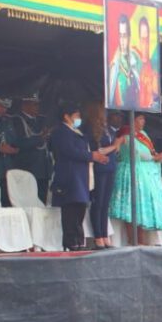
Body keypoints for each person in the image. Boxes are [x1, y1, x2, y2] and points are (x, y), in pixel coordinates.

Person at [50, 102, 109, 251]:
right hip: (70, 177)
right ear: (66, 117)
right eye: (76, 116)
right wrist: (91, 156)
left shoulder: (78, 132)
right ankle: (71, 242)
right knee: (71, 210)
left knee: (80, 208)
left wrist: (96, 156)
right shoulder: (62, 132)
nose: (79, 118)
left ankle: (79, 241)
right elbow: (70, 151)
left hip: (81, 177)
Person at [109, 113, 162, 245]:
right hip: (131, 172)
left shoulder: (143, 134)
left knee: (140, 208)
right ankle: (132, 240)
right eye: (140, 118)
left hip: (145, 175)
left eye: (143, 118)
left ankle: (141, 240)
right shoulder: (124, 134)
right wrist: (153, 157)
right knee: (130, 208)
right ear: (132, 120)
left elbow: (149, 151)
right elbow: (133, 151)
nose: (143, 121)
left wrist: (157, 156)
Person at [88, 108, 124, 249]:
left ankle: (104, 234)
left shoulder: (110, 130)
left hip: (110, 168)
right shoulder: (94, 130)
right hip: (99, 168)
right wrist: (115, 145)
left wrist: (116, 146)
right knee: (98, 202)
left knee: (105, 204)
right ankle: (98, 236)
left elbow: (115, 149)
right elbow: (98, 151)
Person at [9, 95, 51, 203]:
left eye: (38, 104)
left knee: (42, 202)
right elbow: (18, 143)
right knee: (29, 202)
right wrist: (40, 138)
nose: (38, 107)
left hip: (43, 169)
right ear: (25, 105)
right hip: (28, 167)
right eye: (34, 104)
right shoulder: (17, 120)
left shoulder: (42, 120)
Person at [0, 94, 18, 206]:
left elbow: (13, 139)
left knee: (8, 203)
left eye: (6, 107)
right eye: (1, 106)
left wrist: (13, 149)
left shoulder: (7, 120)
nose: (4, 109)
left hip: (7, 169)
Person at [108, 14, 140, 109]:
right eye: (120, 36)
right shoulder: (113, 62)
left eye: (125, 36)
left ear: (129, 36)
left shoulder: (136, 57)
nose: (122, 41)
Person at [135, 16, 160, 110]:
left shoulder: (154, 70)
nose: (144, 44)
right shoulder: (133, 65)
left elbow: (155, 96)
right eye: (142, 39)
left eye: (146, 39)